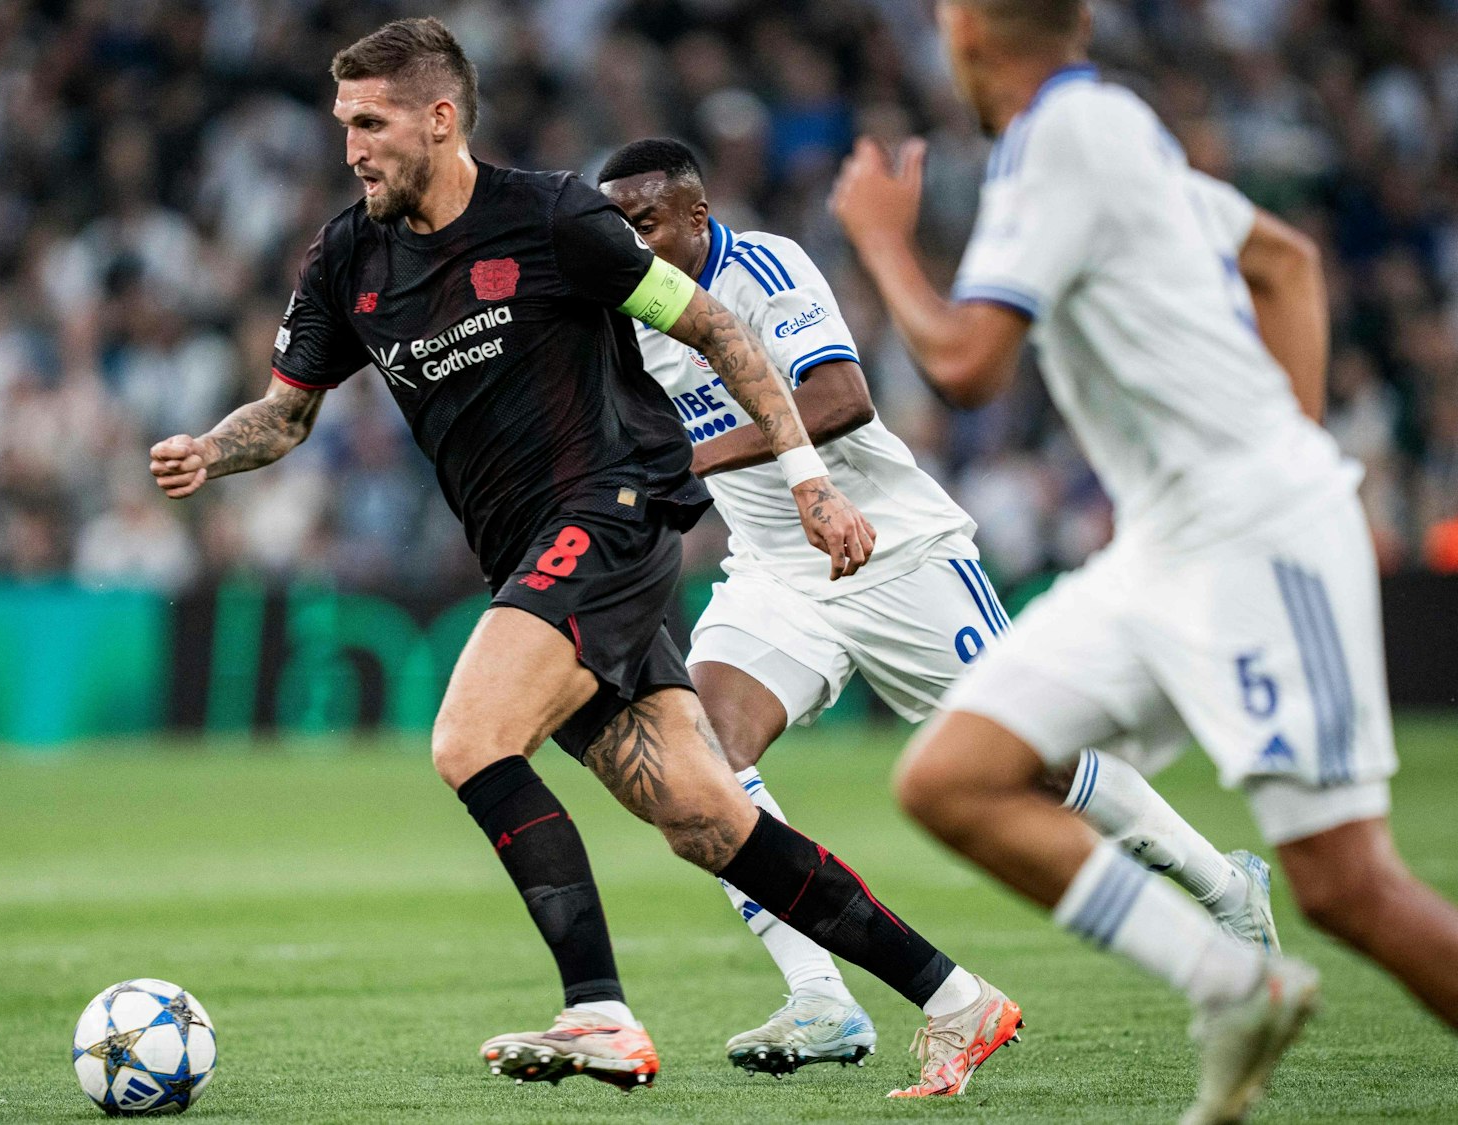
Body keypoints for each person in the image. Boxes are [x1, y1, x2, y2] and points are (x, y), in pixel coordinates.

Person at [150, 17, 999, 1096]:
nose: (350, 146)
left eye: (369, 123)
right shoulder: (346, 260)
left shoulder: (555, 220)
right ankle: (954, 999)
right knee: (703, 818)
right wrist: (208, 453)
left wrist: (807, 481)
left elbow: (720, 335)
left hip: (612, 510)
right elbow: (284, 415)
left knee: (468, 737)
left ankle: (597, 1010)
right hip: (529, 553)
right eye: (342, 125)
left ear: (439, 118)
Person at [829, 1, 1458, 1121]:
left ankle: (1243, 964)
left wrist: (879, 236)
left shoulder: (1066, 137)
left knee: (1347, 887)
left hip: (1253, 533)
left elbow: (967, 365)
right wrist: (1286, 440)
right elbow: (1286, 264)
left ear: (967, 30)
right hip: (1162, 545)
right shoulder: (1112, 135)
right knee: (949, 780)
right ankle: (1230, 979)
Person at [597, 137, 1279, 1095]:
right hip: (774, 577)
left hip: (896, 551)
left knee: (1032, 763)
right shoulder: (630, 315)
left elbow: (836, 398)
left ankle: (1221, 884)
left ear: (698, 218)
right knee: (700, 765)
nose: (630, 241)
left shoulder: (764, 267)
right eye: (616, 226)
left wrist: (686, 467)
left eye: (647, 222)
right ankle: (821, 995)